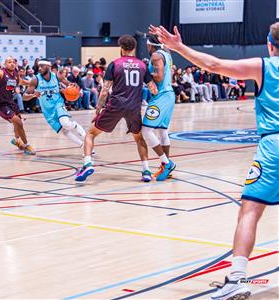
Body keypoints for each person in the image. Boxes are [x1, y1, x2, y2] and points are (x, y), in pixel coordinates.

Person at [150, 22, 279, 300]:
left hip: (274, 146)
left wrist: (178, 47)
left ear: (270, 44)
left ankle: (236, 278)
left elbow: (215, 64)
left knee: (250, 211)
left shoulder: (265, 66)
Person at [75, 35, 158, 182]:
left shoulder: (114, 64)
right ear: (134, 48)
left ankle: (87, 163)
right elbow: (153, 89)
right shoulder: (142, 65)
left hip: (116, 105)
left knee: (90, 134)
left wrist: (99, 108)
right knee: (139, 138)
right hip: (134, 107)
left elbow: (105, 90)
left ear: (121, 48)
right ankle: (146, 171)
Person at [23, 59, 86, 147]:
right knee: (64, 131)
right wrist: (33, 95)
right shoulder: (35, 79)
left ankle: (76, 127)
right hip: (47, 111)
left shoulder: (57, 76)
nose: (40, 68)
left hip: (58, 104)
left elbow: (70, 85)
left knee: (65, 123)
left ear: (48, 67)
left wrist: (74, 87)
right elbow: (24, 96)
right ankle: (83, 145)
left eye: (42, 66)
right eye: (39, 66)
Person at [140, 35, 176, 181]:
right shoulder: (166, 54)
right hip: (169, 95)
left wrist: (144, 73)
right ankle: (166, 167)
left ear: (150, 45)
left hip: (161, 96)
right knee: (162, 131)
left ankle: (167, 163)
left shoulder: (155, 55)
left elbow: (159, 76)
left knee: (146, 130)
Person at [0, 55, 35, 155]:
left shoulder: (16, 74)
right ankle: (26, 145)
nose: (12, 63)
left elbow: (21, 82)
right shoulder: (1, 73)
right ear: (5, 64)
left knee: (17, 124)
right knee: (19, 122)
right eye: (9, 62)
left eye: (13, 62)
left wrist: (34, 83)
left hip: (11, 103)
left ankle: (17, 140)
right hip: (1, 104)